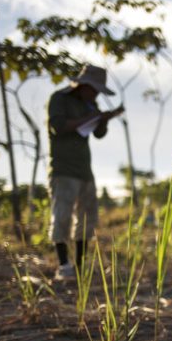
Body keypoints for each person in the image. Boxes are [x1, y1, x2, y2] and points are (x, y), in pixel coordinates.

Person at [47, 64, 124, 280]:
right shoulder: (60, 99)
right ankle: (64, 264)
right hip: (63, 169)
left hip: (84, 170)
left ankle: (80, 268)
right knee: (62, 216)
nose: (96, 94)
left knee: (87, 217)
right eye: (94, 89)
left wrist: (103, 120)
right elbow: (58, 126)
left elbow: (98, 134)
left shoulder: (91, 104)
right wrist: (88, 119)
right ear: (83, 85)